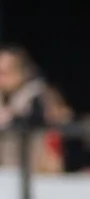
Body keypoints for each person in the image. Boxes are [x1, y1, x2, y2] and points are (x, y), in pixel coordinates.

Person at [0, 45, 66, 173]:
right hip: (8, 172)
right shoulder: (5, 96)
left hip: (36, 172)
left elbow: (50, 124)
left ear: (21, 71)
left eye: (4, 73)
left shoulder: (38, 95)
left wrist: (11, 118)